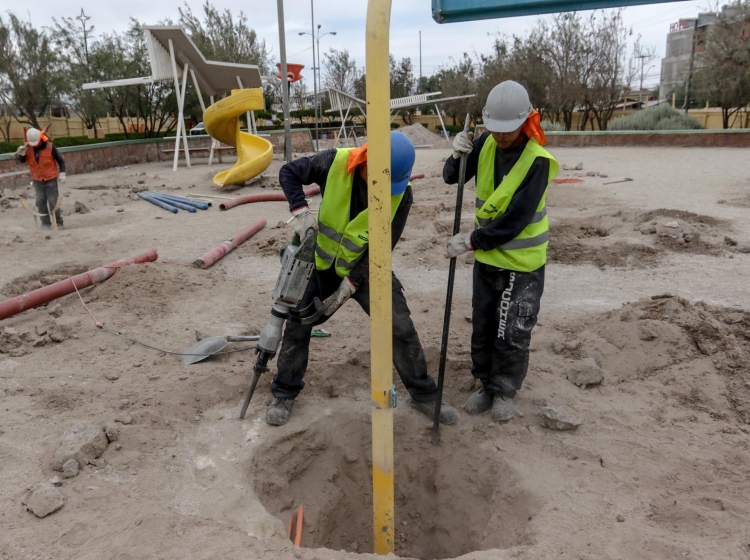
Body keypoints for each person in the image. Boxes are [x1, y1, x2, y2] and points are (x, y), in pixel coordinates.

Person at [267, 131, 458, 427]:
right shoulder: (334, 162)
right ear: (366, 160)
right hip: (323, 263)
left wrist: (352, 284)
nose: (383, 188)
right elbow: (288, 172)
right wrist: (301, 211)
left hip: (368, 267)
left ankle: (424, 395)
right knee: (298, 321)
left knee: (399, 325)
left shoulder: (401, 194)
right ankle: (284, 392)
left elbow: (383, 248)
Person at [442, 80, 558, 422]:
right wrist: (457, 154)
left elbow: (516, 219)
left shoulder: (537, 161)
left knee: (512, 329)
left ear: (525, 121)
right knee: (484, 324)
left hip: (523, 263)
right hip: (488, 259)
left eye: (508, 130)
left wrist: (471, 241)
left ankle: (505, 389)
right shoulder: (487, 143)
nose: (501, 137)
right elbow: (452, 178)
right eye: (494, 130)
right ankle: (486, 383)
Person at [15, 128, 66, 230]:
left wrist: (62, 173)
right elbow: (19, 161)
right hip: (37, 179)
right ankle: (45, 223)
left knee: (53, 202)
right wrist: (20, 155)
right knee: (40, 201)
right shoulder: (27, 148)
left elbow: (60, 161)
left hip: (50, 178)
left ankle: (59, 223)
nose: (35, 145)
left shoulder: (50, 146)